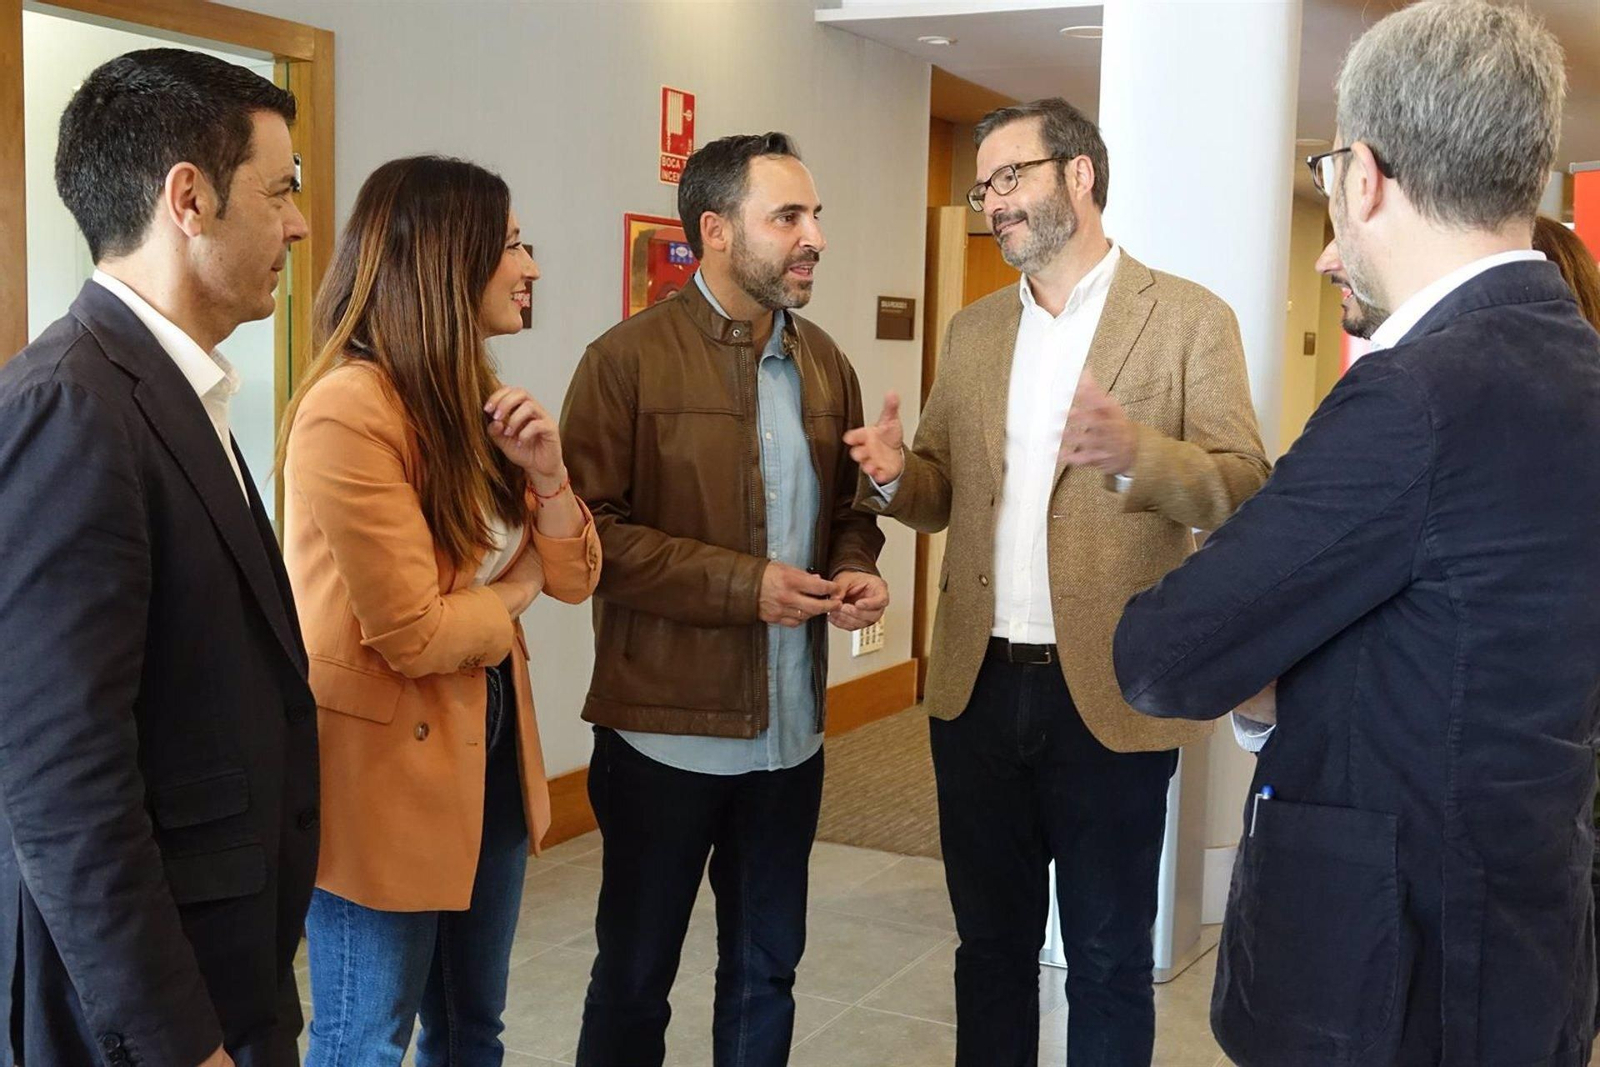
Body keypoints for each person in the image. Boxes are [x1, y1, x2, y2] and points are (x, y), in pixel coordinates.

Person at [1112, 3, 1600, 1063]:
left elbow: (1162, 654)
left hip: (1390, 972)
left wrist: (1271, 657)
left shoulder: (1411, 395)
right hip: (1530, 944)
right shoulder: (1578, 368)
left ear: (1364, 175)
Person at [844, 97, 1268, 1066]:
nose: (993, 201)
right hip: (976, 687)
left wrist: (1136, 456)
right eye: (983, 185)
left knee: (1109, 958)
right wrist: (890, 475)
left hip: (1109, 694)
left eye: (1011, 176)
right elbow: (941, 490)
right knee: (988, 950)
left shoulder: (1188, 318)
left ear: (1079, 175)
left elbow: (1245, 483)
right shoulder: (976, 330)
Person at [0, 48, 315, 1066]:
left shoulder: (171, 387)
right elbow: (63, 778)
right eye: (281, 192)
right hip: (147, 1014)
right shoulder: (72, 404)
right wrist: (180, 1043)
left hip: (223, 954)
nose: (300, 224)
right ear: (189, 197)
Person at [559, 132, 886, 1067]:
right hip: (665, 734)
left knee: (766, 973)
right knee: (634, 978)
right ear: (713, 230)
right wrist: (748, 587)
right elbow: (592, 541)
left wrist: (856, 565)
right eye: (788, 217)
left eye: (815, 215)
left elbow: (850, 512)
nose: (814, 235)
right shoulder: (624, 361)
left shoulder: (825, 363)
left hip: (791, 737)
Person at [279, 156, 601, 1066]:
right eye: (510, 244)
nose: (531, 264)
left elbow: (577, 576)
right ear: (443, 258)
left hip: (483, 754)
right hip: (377, 776)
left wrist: (548, 475)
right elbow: (415, 632)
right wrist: (516, 587)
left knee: (469, 1029)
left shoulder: (467, 396)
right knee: (364, 1040)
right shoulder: (349, 407)